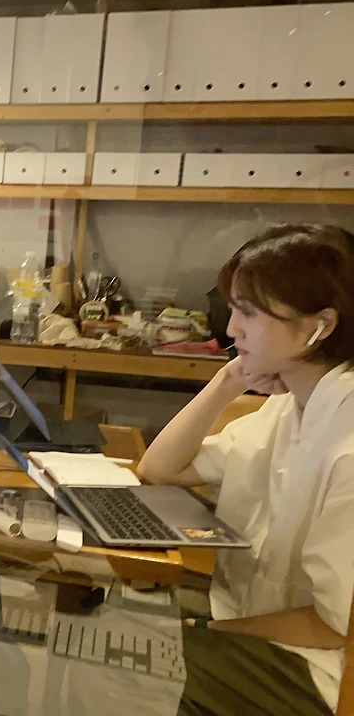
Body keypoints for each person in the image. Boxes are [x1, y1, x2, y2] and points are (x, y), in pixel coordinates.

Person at [136, 223, 354, 716]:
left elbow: (333, 625)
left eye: (248, 313)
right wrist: (229, 379)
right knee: (109, 620)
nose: (231, 329)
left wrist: (210, 631)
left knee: (125, 663)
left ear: (319, 325)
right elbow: (160, 468)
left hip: (316, 671)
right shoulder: (290, 406)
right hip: (249, 615)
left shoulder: (346, 441)